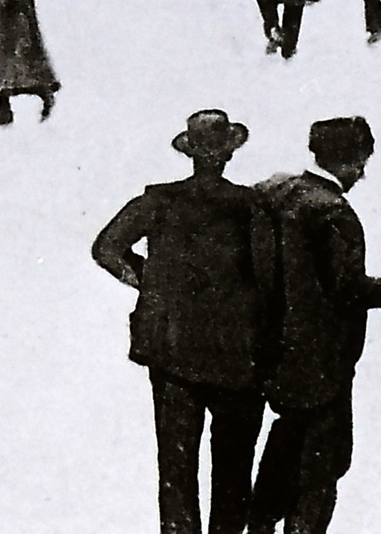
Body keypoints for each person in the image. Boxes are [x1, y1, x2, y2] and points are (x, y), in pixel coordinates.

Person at [92, 111, 271, 534]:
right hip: (237, 352)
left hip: (171, 349)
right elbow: (269, 275)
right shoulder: (251, 205)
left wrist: (150, 282)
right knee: (233, 467)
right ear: (228, 154)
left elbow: (106, 248)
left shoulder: (159, 200)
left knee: (176, 466)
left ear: (191, 153)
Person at [248, 118, 381, 534]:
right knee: (324, 463)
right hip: (322, 360)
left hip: (273, 351)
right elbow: (349, 289)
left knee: (286, 446)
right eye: (361, 162)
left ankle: (260, 523)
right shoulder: (333, 211)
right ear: (351, 160)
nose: (362, 173)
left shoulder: (275, 193)